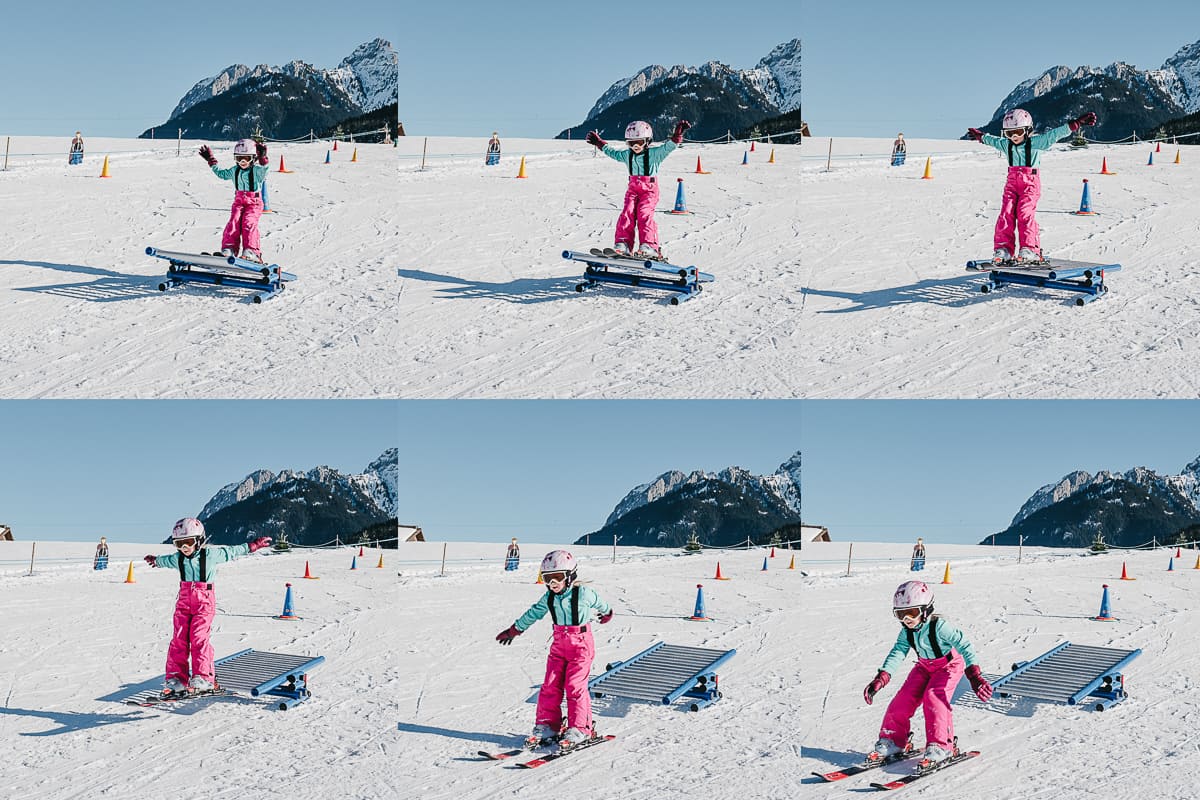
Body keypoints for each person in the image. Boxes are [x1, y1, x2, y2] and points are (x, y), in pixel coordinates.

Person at [863, 581, 993, 772]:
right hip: (924, 666)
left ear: (926, 610)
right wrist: (881, 677)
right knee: (903, 699)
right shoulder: (907, 631)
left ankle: (942, 746)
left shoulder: (940, 627)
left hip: (949, 666)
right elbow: (898, 652)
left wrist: (974, 675)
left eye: (912, 613)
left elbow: (964, 645)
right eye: (900, 614)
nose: (906, 619)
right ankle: (893, 740)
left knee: (934, 697)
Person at [495, 550, 613, 749]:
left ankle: (580, 728)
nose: (552, 583)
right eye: (547, 578)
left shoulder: (583, 593)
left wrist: (607, 613)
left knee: (575, 686)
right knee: (550, 685)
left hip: (581, 645)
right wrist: (515, 629)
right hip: (559, 645)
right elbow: (534, 613)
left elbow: (602, 604)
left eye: (557, 577)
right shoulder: (549, 597)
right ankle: (548, 725)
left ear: (569, 576)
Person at [143, 518, 271, 696]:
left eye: (187, 543)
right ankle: (177, 679)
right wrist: (156, 561)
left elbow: (231, 552)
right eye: (178, 544)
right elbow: (166, 561)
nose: (184, 548)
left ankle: (204, 677)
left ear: (199, 540)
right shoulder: (178, 558)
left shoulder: (210, 556)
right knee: (178, 638)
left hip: (204, 601)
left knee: (198, 637)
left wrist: (253, 545)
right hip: (184, 601)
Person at [967, 109, 1097, 263]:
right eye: (1009, 134)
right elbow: (993, 140)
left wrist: (1076, 123)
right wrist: (981, 137)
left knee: (1024, 213)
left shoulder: (1036, 143)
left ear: (1028, 130)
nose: (1014, 137)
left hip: (1030, 184)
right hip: (1011, 184)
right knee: (1005, 214)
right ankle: (1004, 249)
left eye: (1017, 132)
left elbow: (1054, 134)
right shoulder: (1006, 145)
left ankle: (1030, 249)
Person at [585, 119, 691, 260]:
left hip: (649, 190)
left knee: (644, 214)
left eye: (639, 142)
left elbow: (669, 147)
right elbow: (613, 152)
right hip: (633, 190)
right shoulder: (627, 155)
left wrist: (677, 134)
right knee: (627, 213)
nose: (635, 146)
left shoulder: (654, 154)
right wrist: (599, 143)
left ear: (647, 141)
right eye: (631, 143)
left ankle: (649, 246)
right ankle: (623, 244)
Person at [198, 138, 271, 263]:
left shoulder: (257, 171)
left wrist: (263, 159)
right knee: (233, 223)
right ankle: (229, 249)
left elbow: (265, 170)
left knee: (248, 223)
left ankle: (251, 251)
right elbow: (222, 174)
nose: (242, 162)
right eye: (239, 158)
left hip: (254, 203)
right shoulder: (234, 170)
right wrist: (211, 161)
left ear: (253, 158)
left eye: (246, 158)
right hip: (238, 202)